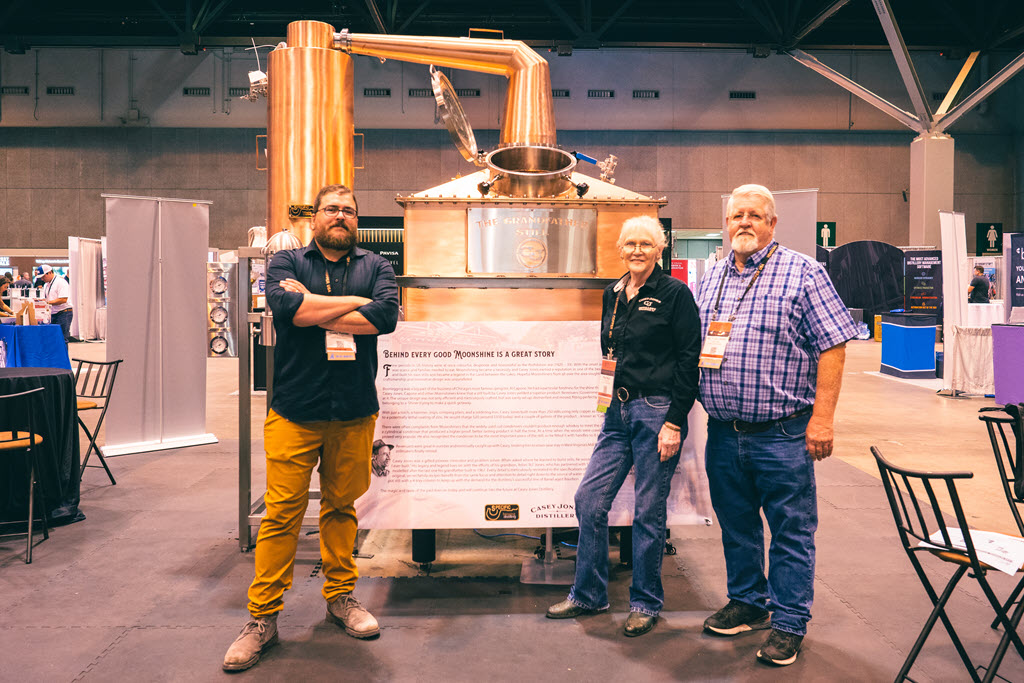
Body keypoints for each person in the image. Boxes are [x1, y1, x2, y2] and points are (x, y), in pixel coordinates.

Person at [223, 184, 399, 672]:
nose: (340, 216)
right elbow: (286, 311)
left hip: (355, 412)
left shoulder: (377, 267)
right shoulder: (286, 264)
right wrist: (341, 307)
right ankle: (262, 619)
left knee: (342, 509)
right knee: (281, 514)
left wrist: (315, 308)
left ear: (356, 219)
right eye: (331, 209)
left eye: (348, 210)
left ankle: (341, 598)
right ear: (314, 218)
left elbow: (384, 317)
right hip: (294, 410)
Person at [697, 185, 858, 666]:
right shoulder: (712, 277)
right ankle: (749, 601)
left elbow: (833, 346)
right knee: (737, 525)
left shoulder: (804, 272)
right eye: (735, 216)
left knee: (791, 531)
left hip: (783, 433)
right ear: (726, 224)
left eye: (754, 216)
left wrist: (823, 418)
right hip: (724, 433)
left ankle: (789, 623)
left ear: (772, 222)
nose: (743, 223)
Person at [546, 215, 701, 637]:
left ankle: (645, 602)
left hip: (657, 410)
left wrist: (674, 421)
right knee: (588, 500)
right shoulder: (612, 293)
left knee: (648, 512)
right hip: (618, 409)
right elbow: (608, 351)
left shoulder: (675, 295)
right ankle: (589, 595)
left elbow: (690, 362)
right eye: (630, 243)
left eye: (646, 244)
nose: (637, 250)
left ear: (659, 249)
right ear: (620, 249)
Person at [40, 265, 73, 342]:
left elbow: (63, 299)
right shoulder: (46, 285)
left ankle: (63, 354)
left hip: (64, 313)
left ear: (50, 273)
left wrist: (47, 303)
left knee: (62, 338)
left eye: (43, 276)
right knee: (53, 339)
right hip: (53, 313)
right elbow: (46, 299)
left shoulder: (61, 282)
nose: (42, 279)